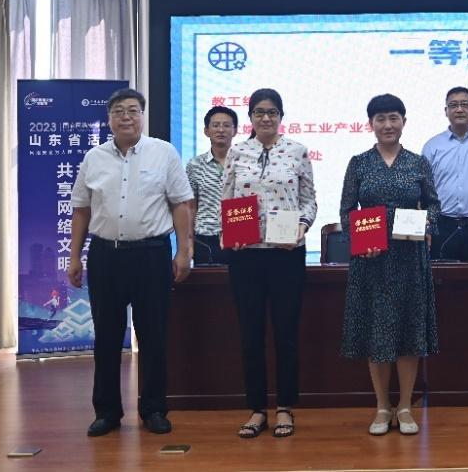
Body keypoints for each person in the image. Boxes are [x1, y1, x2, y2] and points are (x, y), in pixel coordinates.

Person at [68, 88, 193, 437]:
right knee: (107, 337)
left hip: (151, 255)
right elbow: (81, 210)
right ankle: (107, 412)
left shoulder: (163, 153)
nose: (126, 117)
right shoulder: (94, 158)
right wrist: (74, 256)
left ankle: (153, 409)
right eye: (119, 111)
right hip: (105, 255)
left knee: (153, 335)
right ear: (109, 118)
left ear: (142, 116)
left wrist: (184, 251)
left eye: (133, 110)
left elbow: (181, 204)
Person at [340, 93, 440, 436]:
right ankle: (382, 406)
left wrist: (426, 225)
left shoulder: (418, 163)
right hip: (372, 262)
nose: (387, 125)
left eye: (393, 117)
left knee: (409, 331)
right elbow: (347, 210)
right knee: (377, 332)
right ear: (371, 124)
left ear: (403, 122)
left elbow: (433, 205)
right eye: (380, 119)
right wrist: (360, 241)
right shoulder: (359, 163)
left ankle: (406, 406)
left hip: (410, 260)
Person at [221, 88, 317, 439]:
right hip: (245, 255)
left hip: (286, 254)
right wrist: (229, 233)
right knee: (251, 335)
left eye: (272, 112)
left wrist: (302, 227)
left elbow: (309, 201)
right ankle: (257, 409)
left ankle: (285, 407)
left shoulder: (297, 151)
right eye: (259, 112)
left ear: (281, 116)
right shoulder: (237, 152)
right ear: (250, 117)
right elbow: (227, 199)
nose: (265, 118)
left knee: (286, 333)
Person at [422, 87, 468, 262]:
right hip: (442, 226)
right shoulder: (432, 146)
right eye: (453, 105)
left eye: (465, 104)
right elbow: (423, 192)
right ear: (446, 111)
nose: (459, 109)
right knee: (441, 278)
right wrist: (425, 227)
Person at [186, 106, 238, 265]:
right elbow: (190, 207)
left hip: (239, 237)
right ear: (206, 131)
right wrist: (188, 243)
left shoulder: (244, 163)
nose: (221, 130)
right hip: (205, 239)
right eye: (215, 125)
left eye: (226, 125)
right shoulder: (195, 164)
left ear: (235, 131)